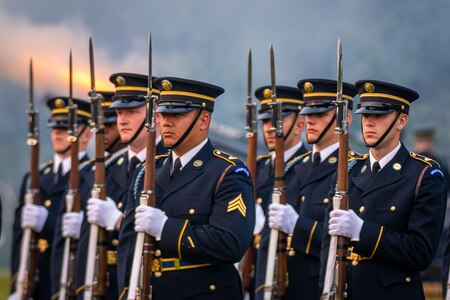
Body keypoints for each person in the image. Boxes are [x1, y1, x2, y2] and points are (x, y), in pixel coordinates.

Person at [118, 76, 255, 299]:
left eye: (177, 115)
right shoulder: (149, 170)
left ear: (203, 121)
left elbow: (230, 243)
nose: (166, 122)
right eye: (163, 114)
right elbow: (129, 245)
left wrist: (166, 228)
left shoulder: (228, 172)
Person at [322, 80, 447, 299]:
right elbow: (328, 245)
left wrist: (362, 231)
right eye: (366, 115)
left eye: (379, 116)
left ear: (401, 120)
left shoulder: (424, 175)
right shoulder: (348, 171)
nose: (369, 123)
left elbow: (420, 252)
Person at [254, 79, 357, 299]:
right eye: (309, 113)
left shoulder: (352, 170)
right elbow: (267, 245)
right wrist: (262, 291)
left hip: (318, 289)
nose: (310, 120)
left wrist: (297, 226)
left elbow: (345, 244)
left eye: (320, 114)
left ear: (344, 119)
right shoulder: (293, 167)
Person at [75, 73, 165, 298]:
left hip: (149, 285)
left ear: (155, 115)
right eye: (119, 113)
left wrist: (118, 221)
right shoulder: (102, 170)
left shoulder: (169, 166)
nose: (122, 120)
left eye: (132, 112)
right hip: (106, 284)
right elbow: (87, 247)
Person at [10, 97, 92, 300]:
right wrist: (16, 287)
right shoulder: (34, 177)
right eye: (55, 127)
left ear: (87, 134)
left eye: (66, 128)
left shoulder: (92, 175)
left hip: (67, 279)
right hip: (34, 281)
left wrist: (48, 223)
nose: (58, 132)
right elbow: (18, 239)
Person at [251, 85, 307, 298]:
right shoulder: (256, 169)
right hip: (256, 276)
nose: (269, 128)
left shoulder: (308, 167)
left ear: (299, 124)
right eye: (265, 121)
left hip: (294, 282)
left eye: (277, 120)